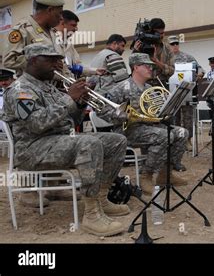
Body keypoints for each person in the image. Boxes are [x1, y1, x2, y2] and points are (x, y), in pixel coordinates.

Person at [1, 44, 130, 237]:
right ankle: (92, 215)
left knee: (116, 141)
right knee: (89, 143)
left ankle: (101, 199)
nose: (58, 64)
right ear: (34, 61)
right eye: (52, 60)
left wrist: (79, 104)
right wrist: (69, 98)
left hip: (58, 140)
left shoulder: (48, 86)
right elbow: (37, 124)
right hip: (32, 149)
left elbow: (70, 122)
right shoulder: (20, 90)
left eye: (58, 59)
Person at [98, 53, 188, 195]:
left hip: (150, 127)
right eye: (146, 66)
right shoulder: (122, 87)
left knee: (182, 133)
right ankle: (146, 175)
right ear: (135, 67)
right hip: (128, 129)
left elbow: (157, 112)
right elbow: (101, 109)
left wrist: (166, 107)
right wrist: (121, 116)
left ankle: (165, 174)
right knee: (164, 135)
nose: (150, 69)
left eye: (151, 66)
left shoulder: (149, 88)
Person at [3, 0, 64, 75]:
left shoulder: (54, 33)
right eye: (59, 13)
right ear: (50, 10)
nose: (61, 18)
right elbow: (9, 61)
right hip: (32, 85)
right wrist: (45, 62)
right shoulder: (22, 30)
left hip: (55, 85)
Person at [169, 35, 205, 164]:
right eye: (172, 44)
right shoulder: (166, 58)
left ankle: (188, 140)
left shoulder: (187, 57)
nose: (175, 46)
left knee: (188, 117)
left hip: (187, 92)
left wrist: (200, 73)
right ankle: (178, 141)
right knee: (175, 117)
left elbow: (199, 67)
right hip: (172, 92)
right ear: (169, 45)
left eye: (176, 44)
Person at [53, 10, 105, 80]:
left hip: (65, 85)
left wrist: (94, 70)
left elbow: (77, 65)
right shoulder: (50, 39)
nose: (75, 29)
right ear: (62, 24)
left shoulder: (69, 44)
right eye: (73, 25)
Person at [132, 18, 175, 88]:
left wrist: (157, 62)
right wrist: (135, 51)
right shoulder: (141, 46)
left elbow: (172, 71)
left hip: (161, 86)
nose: (161, 36)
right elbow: (133, 68)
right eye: (158, 33)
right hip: (143, 86)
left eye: (162, 33)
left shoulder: (167, 48)